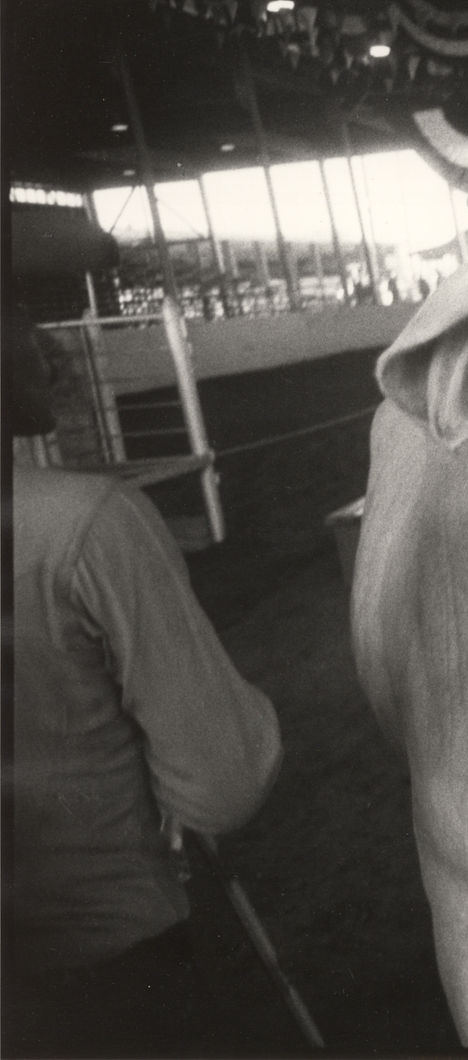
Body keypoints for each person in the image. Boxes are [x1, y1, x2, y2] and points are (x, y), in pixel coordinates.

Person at [4, 310, 284, 1054]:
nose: (43, 343)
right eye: (18, 314)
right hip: (108, 972)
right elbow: (223, 784)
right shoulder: (88, 525)